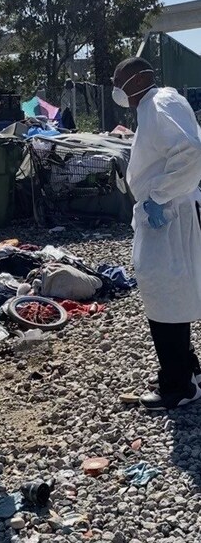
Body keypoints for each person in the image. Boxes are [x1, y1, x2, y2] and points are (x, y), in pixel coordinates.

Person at [112, 56, 201, 410]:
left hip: (168, 214)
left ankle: (178, 386)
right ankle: (188, 370)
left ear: (135, 81)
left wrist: (159, 196)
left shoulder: (158, 102)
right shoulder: (158, 104)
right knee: (174, 291)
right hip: (170, 212)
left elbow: (191, 153)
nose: (116, 88)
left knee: (162, 291)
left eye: (119, 80)